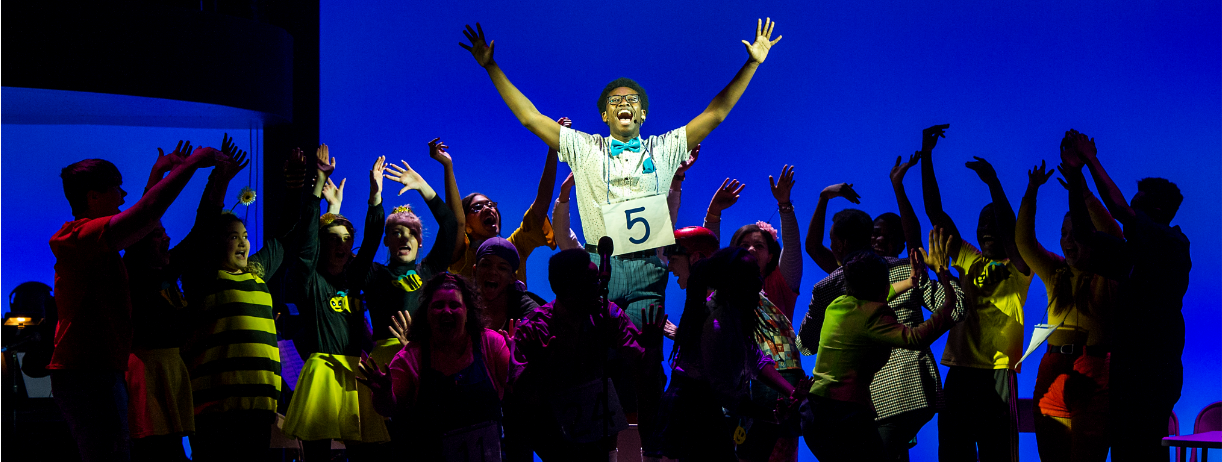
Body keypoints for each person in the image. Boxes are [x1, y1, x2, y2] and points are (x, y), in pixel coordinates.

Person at [460, 18, 781, 327]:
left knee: (641, 359)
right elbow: (531, 118)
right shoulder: (584, 147)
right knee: (599, 358)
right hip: (600, 264)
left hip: (646, 267)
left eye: (632, 100)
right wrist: (491, 66)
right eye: (615, 101)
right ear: (604, 115)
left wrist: (751, 64)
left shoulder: (664, 147)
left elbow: (716, 113)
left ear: (642, 113)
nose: (623, 102)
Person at [50, 139, 223, 461]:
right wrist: (189, 166)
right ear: (94, 196)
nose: (124, 196)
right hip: (86, 372)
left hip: (99, 370)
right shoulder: (77, 237)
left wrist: (158, 173)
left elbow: (140, 221)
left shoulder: (96, 241)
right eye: (118, 188)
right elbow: (144, 214)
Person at [1058, 129, 1190, 462]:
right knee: (1127, 451)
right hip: (1129, 372)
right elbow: (1087, 233)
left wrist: (1089, 159)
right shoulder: (1133, 253)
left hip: (1153, 372)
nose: (1131, 203)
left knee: (1144, 450)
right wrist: (1074, 176)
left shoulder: (1172, 244)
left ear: (1157, 210)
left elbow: (1118, 210)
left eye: (1139, 201)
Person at [178, 145, 310, 462]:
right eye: (232, 236)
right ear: (213, 243)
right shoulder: (204, 277)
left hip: (259, 408)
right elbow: (204, 222)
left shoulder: (257, 273)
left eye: (245, 235)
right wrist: (220, 180)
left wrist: (294, 185)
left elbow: (284, 234)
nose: (243, 242)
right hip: (216, 410)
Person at [122, 135, 246, 462]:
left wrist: (220, 180)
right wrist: (157, 175)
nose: (167, 237)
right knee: (156, 453)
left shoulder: (167, 270)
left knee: (173, 451)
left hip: (172, 370)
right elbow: (144, 216)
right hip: (147, 375)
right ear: (141, 243)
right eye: (159, 235)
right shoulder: (136, 273)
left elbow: (202, 227)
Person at [920, 124, 1032, 461]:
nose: (987, 230)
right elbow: (935, 214)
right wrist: (926, 155)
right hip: (961, 369)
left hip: (998, 372)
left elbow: (1011, 232)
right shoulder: (970, 258)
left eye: (995, 225)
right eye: (982, 225)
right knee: (954, 450)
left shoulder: (1021, 267)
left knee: (998, 451)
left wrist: (995, 185)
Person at [802, 231, 959, 462]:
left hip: (814, 413)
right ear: (879, 283)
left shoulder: (838, 304)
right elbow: (916, 338)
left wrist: (910, 281)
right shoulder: (874, 314)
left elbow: (879, 292)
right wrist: (947, 302)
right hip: (844, 415)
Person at [281, 146, 390, 459]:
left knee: (364, 454)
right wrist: (318, 183)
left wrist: (375, 195)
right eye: (334, 238)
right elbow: (306, 240)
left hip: (355, 372)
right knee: (317, 456)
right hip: (324, 371)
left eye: (347, 238)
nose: (342, 244)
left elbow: (370, 241)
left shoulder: (355, 280)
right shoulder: (310, 281)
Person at [506, 249, 662, 460]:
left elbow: (640, 363)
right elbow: (522, 397)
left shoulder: (605, 312)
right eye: (590, 283)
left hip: (594, 422)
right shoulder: (534, 329)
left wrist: (649, 352)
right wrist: (538, 369)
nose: (600, 289)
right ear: (566, 289)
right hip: (549, 426)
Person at [1017, 159, 1120, 462]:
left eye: (1077, 234)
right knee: (1051, 454)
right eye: (1064, 234)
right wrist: (1031, 191)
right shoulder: (1056, 272)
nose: (1068, 241)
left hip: (1094, 367)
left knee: (1087, 454)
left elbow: (1114, 234)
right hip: (1053, 368)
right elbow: (1024, 243)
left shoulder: (1108, 272)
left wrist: (1085, 194)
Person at [701, 167, 805, 462]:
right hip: (738, 382)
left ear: (771, 255)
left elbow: (794, 249)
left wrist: (784, 206)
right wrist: (713, 213)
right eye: (743, 246)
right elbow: (707, 254)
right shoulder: (721, 290)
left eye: (758, 246)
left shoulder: (780, 285)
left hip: (781, 379)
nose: (750, 249)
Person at [662, 247, 804, 462]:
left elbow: (754, 360)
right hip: (693, 411)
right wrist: (771, 416)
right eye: (750, 275)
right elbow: (725, 392)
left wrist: (791, 392)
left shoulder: (734, 312)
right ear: (730, 282)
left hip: (703, 407)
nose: (758, 281)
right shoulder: (717, 322)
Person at [356, 273, 514, 461]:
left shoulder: (491, 343)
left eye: (454, 305)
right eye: (439, 305)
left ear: (467, 312)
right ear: (427, 314)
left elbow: (520, 389)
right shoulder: (410, 357)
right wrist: (383, 393)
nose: (446, 311)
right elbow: (389, 407)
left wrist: (521, 364)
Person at [347, 140, 461, 373]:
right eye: (396, 232)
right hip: (385, 362)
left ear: (420, 242)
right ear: (386, 240)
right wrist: (375, 199)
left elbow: (450, 224)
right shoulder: (374, 274)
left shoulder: (430, 271)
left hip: (425, 359)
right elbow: (368, 246)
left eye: (411, 233)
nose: (403, 238)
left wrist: (422, 186)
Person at [448, 119, 568, 286]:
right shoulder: (462, 259)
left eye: (491, 204)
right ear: (466, 225)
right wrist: (448, 166)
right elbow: (454, 221)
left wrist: (553, 147)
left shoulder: (514, 246)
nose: (488, 208)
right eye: (477, 207)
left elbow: (542, 203)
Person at [471, 236, 541, 330]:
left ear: (512, 278)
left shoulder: (530, 315)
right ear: (474, 271)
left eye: (502, 268)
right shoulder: (462, 306)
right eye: (486, 265)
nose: (492, 272)